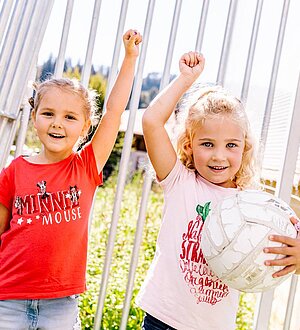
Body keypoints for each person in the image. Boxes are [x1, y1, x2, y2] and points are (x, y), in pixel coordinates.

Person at [136, 51, 300, 330]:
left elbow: (280, 249)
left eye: (231, 145)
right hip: (161, 320)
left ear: (245, 148)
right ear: (189, 145)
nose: (219, 156)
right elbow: (152, 121)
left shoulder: (255, 207)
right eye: (207, 144)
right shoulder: (179, 181)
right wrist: (186, 80)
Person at [0, 29, 142, 329]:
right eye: (48, 113)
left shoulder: (86, 166)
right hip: (7, 298)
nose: (57, 124)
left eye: (69, 117)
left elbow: (115, 111)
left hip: (60, 304)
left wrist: (130, 59)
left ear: (85, 126)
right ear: (35, 115)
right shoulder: (14, 171)